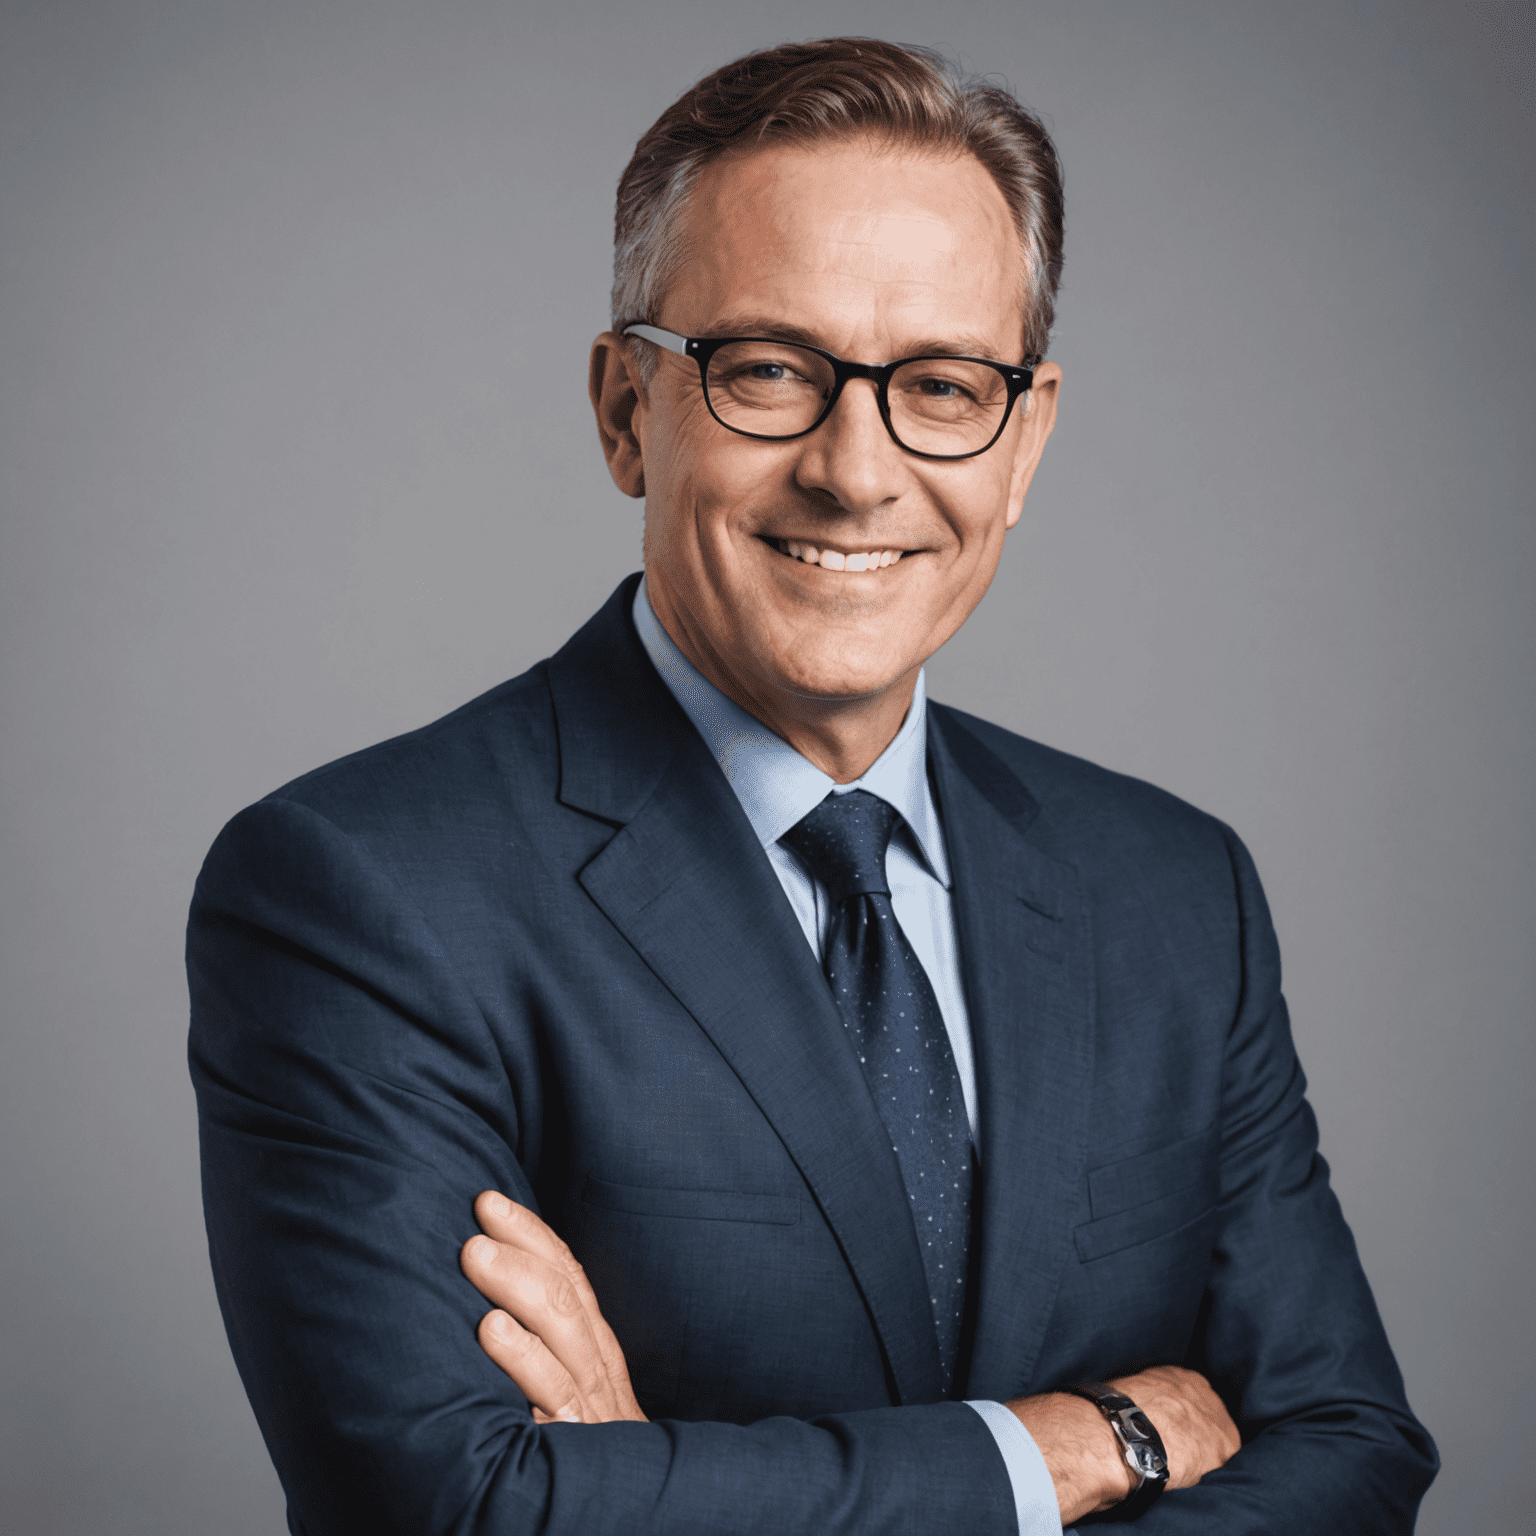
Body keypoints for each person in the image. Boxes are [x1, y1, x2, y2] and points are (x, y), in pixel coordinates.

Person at [187, 37, 1437, 1535]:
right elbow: (467, 1511)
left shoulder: (1176, 891)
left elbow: (1350, 1450)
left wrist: (660, 1487)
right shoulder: (365, 892)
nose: (859, 469)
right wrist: (1061, 1452)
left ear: (1023, 438)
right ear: (625, 411)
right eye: (770, 371)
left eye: (944, 385)